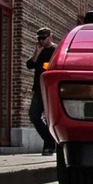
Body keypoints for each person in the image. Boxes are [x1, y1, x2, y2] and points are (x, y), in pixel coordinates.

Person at [26, 27, 57, 155]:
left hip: (51, 88)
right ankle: (50, 141)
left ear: (50, 36)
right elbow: (30, 65)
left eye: (43, 38)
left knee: (50, 118)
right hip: (39, 89)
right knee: (34, 114)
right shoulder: (40, 51)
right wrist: (37, 52)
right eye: (39, 38)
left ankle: (49, 147)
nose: (41, 41)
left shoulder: (56, 50)